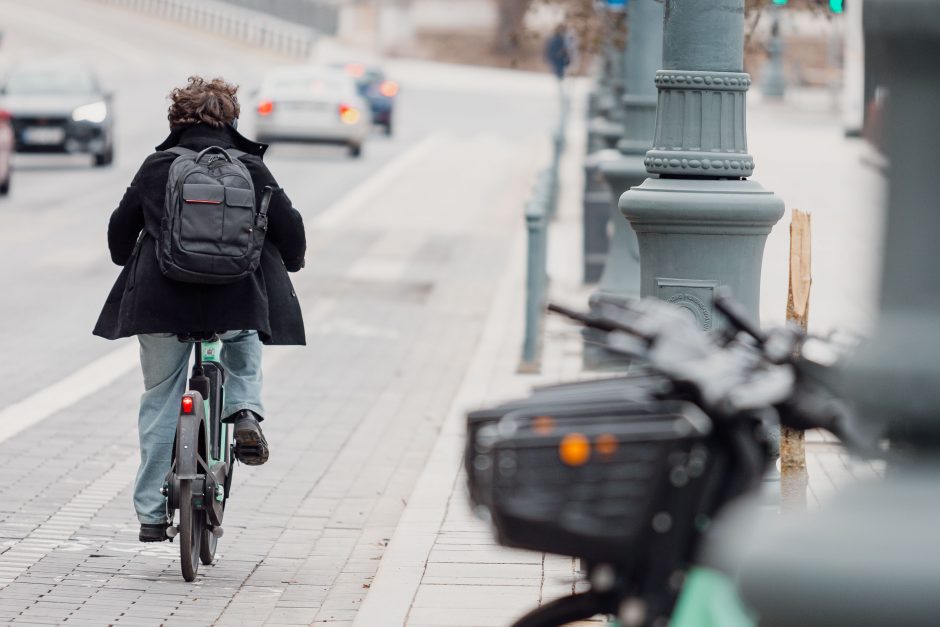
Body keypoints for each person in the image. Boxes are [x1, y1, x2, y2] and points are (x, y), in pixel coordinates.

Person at [93, 76, 306, 543]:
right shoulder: (251, 168)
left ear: (176, 121)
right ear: (232, 121)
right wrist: (292, 261)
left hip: (161, 304)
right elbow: (290, 229)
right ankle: (245, 410)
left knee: (161, 399)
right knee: (245, 341)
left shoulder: (160, 166)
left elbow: (117, 235)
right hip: (235, 300)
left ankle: (151, 514)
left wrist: (129, 249)